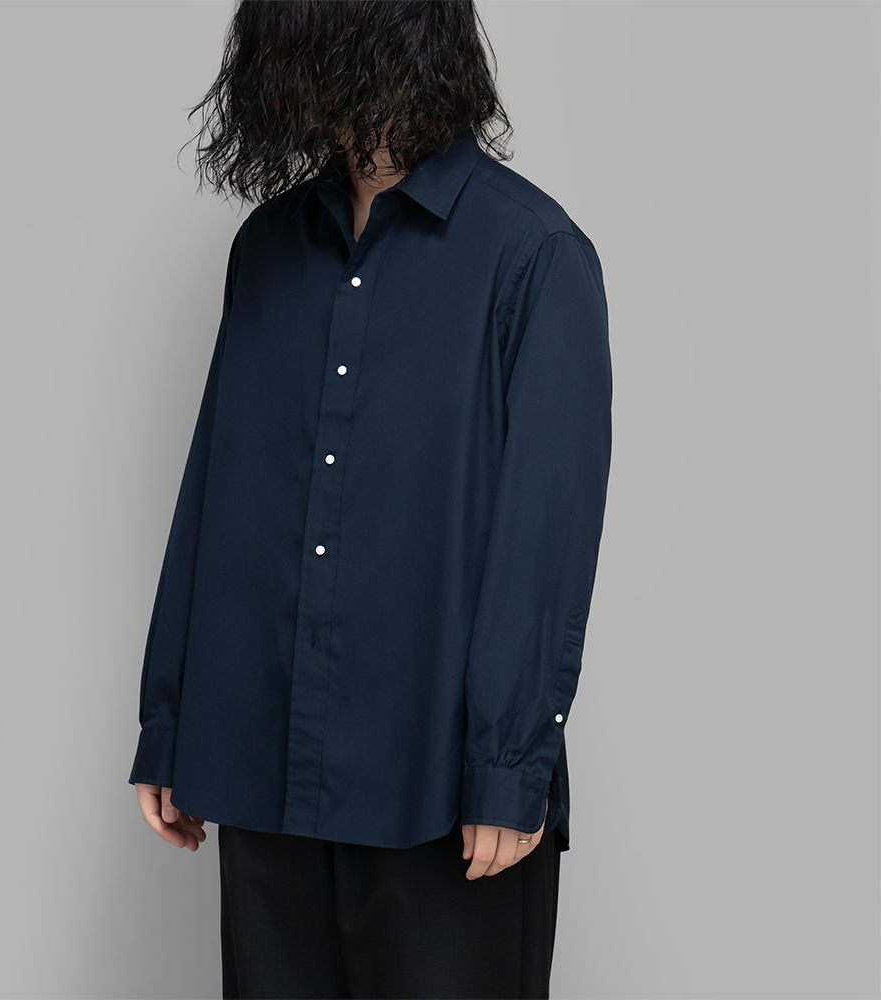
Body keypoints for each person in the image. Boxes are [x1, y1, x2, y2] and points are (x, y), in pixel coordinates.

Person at [129, 1, 612, 997]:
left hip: (439, 792)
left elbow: (543, 540)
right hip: (262, 766)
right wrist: (170, 723)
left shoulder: (533, 255)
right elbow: (214, 486)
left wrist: (507, 767)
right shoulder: (266, 249)